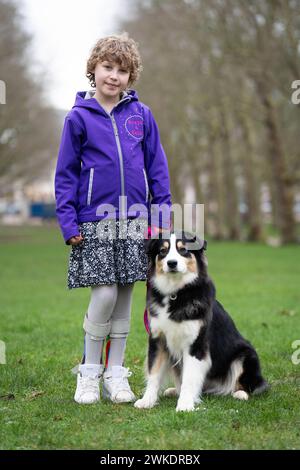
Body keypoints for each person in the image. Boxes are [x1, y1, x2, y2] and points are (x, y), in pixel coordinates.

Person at [54, 33, 172, 405]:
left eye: (123, 70)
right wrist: (69, 222)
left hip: (136, 222)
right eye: (108, 67)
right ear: (94, 69)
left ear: (130, 76)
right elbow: (66, 174)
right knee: (103, 293)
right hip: (93, 220)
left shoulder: (142, 115)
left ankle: (116, 375)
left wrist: (161, 218)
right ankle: (89, 372)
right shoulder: (78, 118)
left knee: (123, 297)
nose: (114, 76)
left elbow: (157, 169)